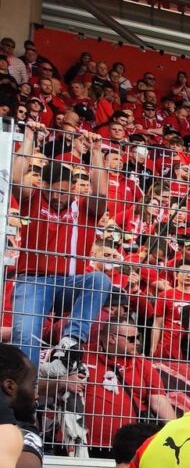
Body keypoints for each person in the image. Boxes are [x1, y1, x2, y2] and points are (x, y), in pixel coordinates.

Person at [7, 125, 113, 371]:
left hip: (69, 283)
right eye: (53, 192)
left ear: (72, 190)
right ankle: (27, 391)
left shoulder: (83, 209)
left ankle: (71, 342)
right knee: (24, 336)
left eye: (64, 193)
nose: (58, 198)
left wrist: (95, 151)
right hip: (34, 280)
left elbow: (102, 192)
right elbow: (14, 179)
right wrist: (31, 138)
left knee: (99, 280)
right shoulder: (32, 200)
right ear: (43, 186)